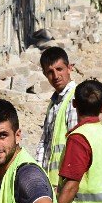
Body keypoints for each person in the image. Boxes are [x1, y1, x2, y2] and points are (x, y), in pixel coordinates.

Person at [35, 47, 77, 186]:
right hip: (51, 181)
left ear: (69, 68)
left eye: (59, 69)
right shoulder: (53, 103)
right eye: (50, 72)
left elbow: (76, 144)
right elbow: (45, 141)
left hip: (65, 182)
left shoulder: (75, 99)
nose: (56, 76)